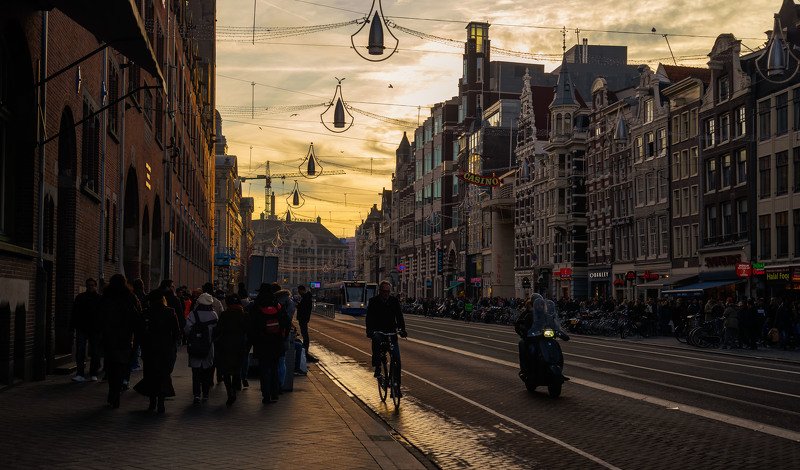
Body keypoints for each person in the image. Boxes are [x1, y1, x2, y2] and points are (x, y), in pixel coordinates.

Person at [133, 290, 180, 413]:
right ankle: (161, 402)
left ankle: (152, 402)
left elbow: (139, 333)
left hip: (149, 349)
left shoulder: (145, 313)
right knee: (163, 375)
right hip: (165, 348)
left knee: (150, 374)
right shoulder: (170, 312)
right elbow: (176, 332)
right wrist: (173, 346)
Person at [100, 274, 142, 409]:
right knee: (121, 365)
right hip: (125, 338)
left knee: (111, 366)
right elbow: (137, 318)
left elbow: (98, 316)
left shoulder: (106, 297)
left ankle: (113, 391)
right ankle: (117, 389)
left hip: (109, 338)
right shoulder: (130, 297)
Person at [249, 283, 289, 404]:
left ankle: (266, 395)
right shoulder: (277, 305)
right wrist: (283, 337)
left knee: (264, 369)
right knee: (274, 367)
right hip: (276, 342)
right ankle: (275, 393)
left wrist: (253, 341)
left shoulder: (256, 306)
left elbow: (251, 325)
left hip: (261, 343)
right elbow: (286, 323)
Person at [365, 281, 406, 396]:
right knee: (376, 341)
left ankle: (397, 388)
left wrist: (402, 329)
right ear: (380, 291)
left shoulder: (394, 301)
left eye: (388, 291)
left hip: (391, 332)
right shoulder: (373, 301)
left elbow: (399, 316)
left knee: (397, 359)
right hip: (379, 331)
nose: (386, 294)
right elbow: (369, 317)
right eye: (384, 291)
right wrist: (370, 331)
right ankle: (377, 367)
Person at [515, 295, 568, 381]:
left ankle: (559, 369)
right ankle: (529, 372)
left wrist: (561, 333)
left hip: (546, 338)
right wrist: (527, 332)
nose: (540, 306)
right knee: (532, 350)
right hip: (534, 339)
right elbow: (523, 325)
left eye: (542, 304)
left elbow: (554, 325)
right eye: (538, 304)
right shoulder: (529, 315)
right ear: (533, 304)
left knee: (556, 346)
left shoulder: (547, 315)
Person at [214, 294, 249, 406]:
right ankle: (235, 388)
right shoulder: (244, 315)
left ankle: (230, 392)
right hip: (240, 346)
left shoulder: (224, 315)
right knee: (236, 369)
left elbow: (218, 330)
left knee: (226, 371)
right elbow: (248, 331)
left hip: (226, 346)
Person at [184, 293, 218, 404]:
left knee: (196, 373)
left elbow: (187, 329)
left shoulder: (193, 314)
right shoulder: (214, 315)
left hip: (195, 346)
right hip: (208, 347)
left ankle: (197, 394)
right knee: (207, 372)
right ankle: (206, 394)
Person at [71, 278, 102, 383]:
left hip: (95, 329)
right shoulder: (80, 297)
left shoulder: (99, 299)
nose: (90, 287)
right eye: (88, 285)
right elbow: (74, 312)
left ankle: (93, 373)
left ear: (95, 286)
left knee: (95, 352)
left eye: (92, 285)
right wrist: (74, 325)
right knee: (80, 351)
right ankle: (80, 373)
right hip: (82, 328)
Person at [296, 285, 317, 364]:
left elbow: (304, 308)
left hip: (303, 318)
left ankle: (305, 352)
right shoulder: (306, 297)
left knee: (305, 335)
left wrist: (298, 305)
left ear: (302, 290)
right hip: (304, 318)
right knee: (305, 335)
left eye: (299, 291)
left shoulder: (305, 298)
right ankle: (306, 352)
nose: (298, 293)